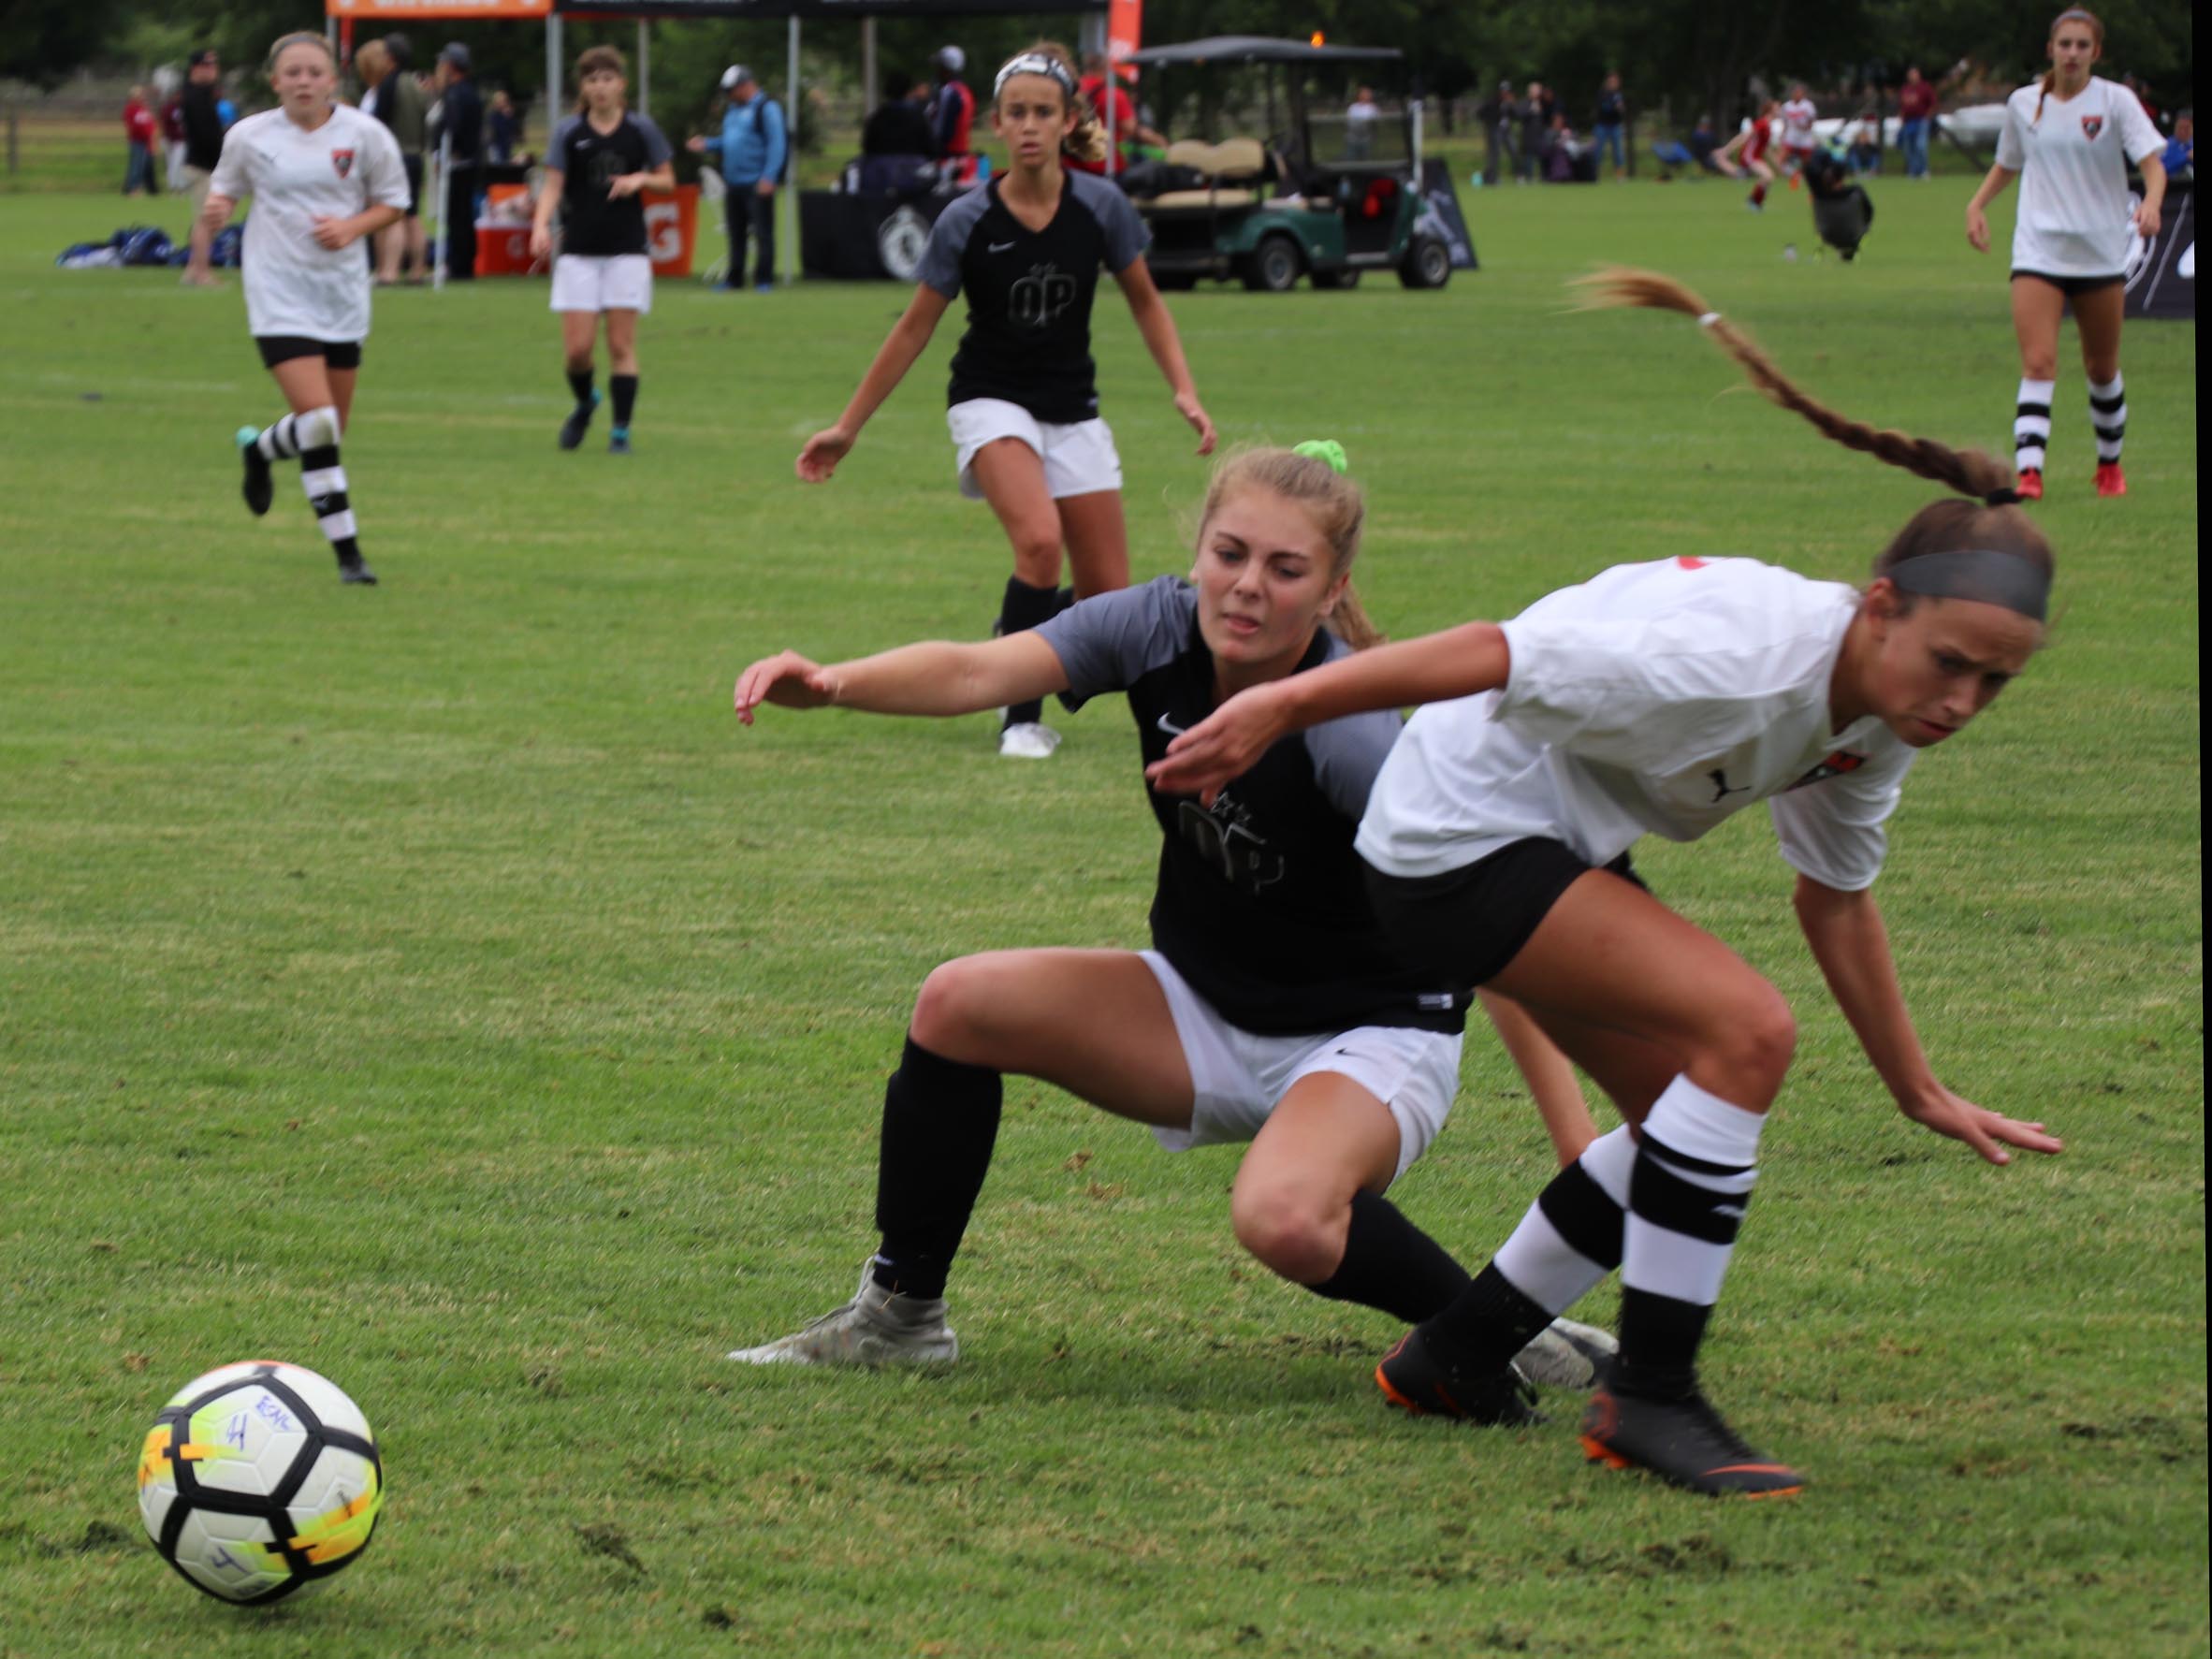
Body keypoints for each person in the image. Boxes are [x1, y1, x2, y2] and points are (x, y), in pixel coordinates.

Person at [1147, 267, 2067, 1496]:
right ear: (1883, 606)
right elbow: (1491, 652)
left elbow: (1834, 896)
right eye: (1951, 663)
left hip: (1545, 839)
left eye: (1994, 683)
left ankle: (1458, 1353)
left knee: (1680, 1120)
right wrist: (1283, 704)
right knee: (1748, 1033)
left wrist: (1918, 1088)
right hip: (1453, 833)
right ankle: (1651, 1395)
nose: (1962, 701)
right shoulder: (1737, 651)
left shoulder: (1879, 712)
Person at [727, 443, 1613, 1392]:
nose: (1247, 586)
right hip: (1204, 1003)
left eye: (1286, 569)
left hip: (1369, 1035)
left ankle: (1495, 1331)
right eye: (1230, 553)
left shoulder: (1351, 736)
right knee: (958, 1003)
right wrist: (834, 683)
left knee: (1284, 1216)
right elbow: (981, 671)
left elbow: (1492, 927)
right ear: (1198, 551)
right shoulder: (1152, 625)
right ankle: (897, 1317)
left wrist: (1577, 1149)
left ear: (1332, 592)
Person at [793, 43, 1217, 762]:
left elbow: (1147, 302)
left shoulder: (1101, 206)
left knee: (1106, 602)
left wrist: (1184, 387)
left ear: (1067, 121)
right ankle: (1019, 718)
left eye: (1043, 112)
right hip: (988, 399)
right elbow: (912, 330)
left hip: (1071, 405)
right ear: (996, 123)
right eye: (1015, 112)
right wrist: (846, 427)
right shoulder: (966, 219)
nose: (1028, 125)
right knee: (1040, 544)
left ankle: (1017, 634)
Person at [202, 32, 408, 586]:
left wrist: (352, 227)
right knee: (317, 422)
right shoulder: (249, 136)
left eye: (314, 72)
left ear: (333, 80)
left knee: (329, 428)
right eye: (292, 73)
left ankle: (260, 450)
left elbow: (394, 203)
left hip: (341, 294)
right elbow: (224, 190)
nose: (303, 82)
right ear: (275, 81)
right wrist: (218, 208)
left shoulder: (365, 135)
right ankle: (349, 557)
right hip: (277, 292)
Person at [1964, 6, 2164, 501]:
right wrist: (1977, 204)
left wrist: (2152, 203)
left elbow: (2152, 165)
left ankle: (2109, 465)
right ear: (2050, 50)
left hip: (2100, 253)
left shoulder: (2115, 101)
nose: (2072, 53)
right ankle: (2030, 474)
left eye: (2082, 45)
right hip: (2039, 250)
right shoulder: (2023, 103)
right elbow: (2008, 163)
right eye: (2064, 44)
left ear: (2096, 52)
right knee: (2038, 362)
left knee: (2101, 368)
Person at [532, 47, 673, 457]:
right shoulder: (569, 132)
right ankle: (585, 402)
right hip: (578, 251)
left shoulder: (640, 129)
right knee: (578, 352)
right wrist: (540, 225)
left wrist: (639, 180)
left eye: (607, 79)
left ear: (622, 84)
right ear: (583, 87)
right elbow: (553, 186)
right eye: (592, 80)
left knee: (620, 346)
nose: (600, 87)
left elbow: (668, 180)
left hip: (627, 250)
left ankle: (620, 434)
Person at [688, 65, 785, 294]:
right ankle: (735, 278)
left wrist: (769, 176)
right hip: (734, 182)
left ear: (745, 86)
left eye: (731, 90)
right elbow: (730, 141)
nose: (729, 95)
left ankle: (764, 279)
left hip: (757, 181)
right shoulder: (733, 111)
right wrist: (708, 144)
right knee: (736, 233)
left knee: (762, 232)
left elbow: (777, 144)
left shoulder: (766, 108)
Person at [367, 35, 430, 284]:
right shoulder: (416, 84)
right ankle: (417, 269)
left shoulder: (389, 84)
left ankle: (389, 271)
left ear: (390, 58)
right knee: (413, 216)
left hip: (396, 156)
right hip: (416, 155)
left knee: (393, 214)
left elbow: (378, 123)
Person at [434, 43, 484, 280]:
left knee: (457, 216)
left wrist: (445, 153)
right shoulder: (470, 92)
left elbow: (452, 128)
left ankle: (458, 265)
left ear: (451, 66)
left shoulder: (455, 94)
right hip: (470, 161)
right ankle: (464, 263)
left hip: (458, 163)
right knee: (464, 215)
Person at [1074, 52, 1167, 179]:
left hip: (1071, 164)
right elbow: (1131, 129)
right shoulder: (1113, 95)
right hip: (1104, 166)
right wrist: (1159, 141)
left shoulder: (1073, 91)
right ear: (1107, 68)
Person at [179, 50, 227, 285]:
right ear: (194, 68)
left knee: (209, 220)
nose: (211, 70)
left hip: (205, 164)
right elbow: (205, 135)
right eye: (206, 65)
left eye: (213, 65)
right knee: (206, 220)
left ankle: (192, 269)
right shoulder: (195, 95)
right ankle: (201, 272)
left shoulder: (203, 93)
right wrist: (224, 156)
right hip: (202, 165)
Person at [1716, 100, 1780, 211]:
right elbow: (1744, 136)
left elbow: (1765, 149)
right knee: (1767, 176)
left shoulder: (1768, 126)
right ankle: (1753, 202)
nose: (1780, 111)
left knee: (1766, 176)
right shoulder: (1762, 123)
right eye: (1778, 108)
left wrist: (1777, 163)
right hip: (1749, 156)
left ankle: (1754, 202)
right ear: (1770, 110)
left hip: (1756, 157)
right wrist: (1727, 149)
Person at [929, 45, 979, 185]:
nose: (936, 72)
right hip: (962, 158)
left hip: (947, 161)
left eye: (939, 67)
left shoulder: (948, 91)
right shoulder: (965, 91)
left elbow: (941, 131)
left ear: (947, 69)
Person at [863, 74, 935, 159]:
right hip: (912, 163)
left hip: (882, 164)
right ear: (908, 91)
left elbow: (868, 146)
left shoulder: (877, 118)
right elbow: (929, 146)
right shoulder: (918, 117)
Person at [1897, 66, 1937, 179]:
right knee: (1909, 147)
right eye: (1911, 74)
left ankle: (1924, 170)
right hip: (1908, 121)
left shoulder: (1925, 88)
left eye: (1914, 74)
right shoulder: (1905, 89)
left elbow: (1933, 103)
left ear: (1919, 75)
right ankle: (1913, 171)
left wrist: (1927, 116)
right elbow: (1901, 106)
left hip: (1921, 120)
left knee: (1920, 145)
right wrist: (1901, 118)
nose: (1912, 76)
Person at [1478, 81, 1520, 187]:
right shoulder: (1492, 101)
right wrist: (1490, 124)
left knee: (1514, 150)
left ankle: (1518, 175)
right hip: (1495, 130)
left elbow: (1516, 115)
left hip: (1506, 130)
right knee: (1495, 154)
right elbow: (1481, 113)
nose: (1505, 93)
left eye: (1507, 91)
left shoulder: (1509, 103)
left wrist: (1513, 105)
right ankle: (1492, 178)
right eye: (1504, 91)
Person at [1778, 82, 1820, 185]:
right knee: (1780, 159)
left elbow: (1811, 123)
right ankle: (1793, 174)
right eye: (1796, 92)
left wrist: (1803, 127)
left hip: (1804, 138)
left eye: (1800, 92)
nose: (1797, 94)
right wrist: (1782, 135)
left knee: (1807, 162)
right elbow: (1785, 123)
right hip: (1791, 137)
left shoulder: (1808, 106)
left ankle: (1805, 178)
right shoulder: (1786, 106)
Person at [123, 86, 160, 196]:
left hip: (147, 141)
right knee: (136, 165)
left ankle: (141, 187)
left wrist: (152, 138)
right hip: (138, 141)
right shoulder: (131, 109)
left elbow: (151, 123)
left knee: (144, 165)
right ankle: (133, 188)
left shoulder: (144, 109)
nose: (142, 97)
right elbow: (133, 125)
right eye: (140, 95)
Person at [1594, 72, 1627, 180]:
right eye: (1612, 81)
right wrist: (1614, 107)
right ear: (1608, 81)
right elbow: (1603, 107)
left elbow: (1621, 109)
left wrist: (1620, 108)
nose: (1614, 83)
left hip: (1615, 126)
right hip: (1602, 125)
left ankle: (1619, 175)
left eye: (1616, 81)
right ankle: (1594, 174)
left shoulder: (1618, 94)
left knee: (1618, 152)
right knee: (1598, 151)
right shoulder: (1602, 93)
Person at [1345, 84, 1382, 164]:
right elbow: (1349, 122)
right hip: (1353, 138)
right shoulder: (1353, 107)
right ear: (1359, 95)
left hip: (1367, 138)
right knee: (1351, 159)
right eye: (1364, 93)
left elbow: (1376, 122)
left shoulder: (1373, 108)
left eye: (1368, 94)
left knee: (1366, 159)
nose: (1366, 95)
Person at [487, 89, 520, 166]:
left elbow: (514, 128)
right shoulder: (493, 115)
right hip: (496, 146)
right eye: (502, 101)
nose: (504, 103)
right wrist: (506, 118)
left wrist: (509, 117)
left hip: (506, 145)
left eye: (505, 101)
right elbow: (498, 129)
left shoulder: (508, 114)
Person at [2157, 109, 2191, 180]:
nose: (2182, 132)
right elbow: (2162, 167)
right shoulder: (2165, 145)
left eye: (2186, 128)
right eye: (2180, 127)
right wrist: (2186, 156)